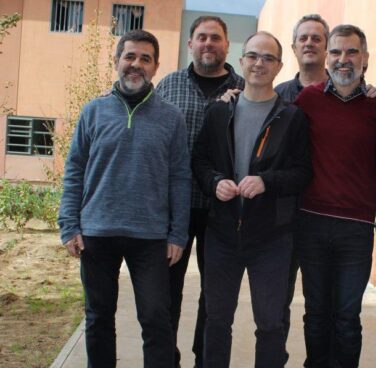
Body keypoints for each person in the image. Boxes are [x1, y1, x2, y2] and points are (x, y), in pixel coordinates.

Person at [58, 29, 191, 367]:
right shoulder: (93, 112)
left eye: (145, 59)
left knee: (156, 320)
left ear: (156, 66)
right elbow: (74, 169)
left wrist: (177, 233)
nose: (136, 64)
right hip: (96, 233)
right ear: (117, 61)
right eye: (130, 56)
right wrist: (69, 224)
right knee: (99, 318)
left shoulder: (171, 118)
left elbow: (179, 177)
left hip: (150, 237)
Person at [192, 31, 312, 368]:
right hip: (221, 234)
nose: (259, 63)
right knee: (216, 321)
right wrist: (214, 182)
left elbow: (303, 173)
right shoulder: (219, 112)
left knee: (271, 324)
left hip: (271, 239)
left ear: (279, 66)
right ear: (242, 61)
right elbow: (199, 162)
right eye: (253, 56)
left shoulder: (291, 117)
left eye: (268, 58)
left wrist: (266, 181)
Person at [294, 24, 376, 368]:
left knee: (347, 317)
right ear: (326, 57)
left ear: (365, 58)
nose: (343, 59)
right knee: (316, 313)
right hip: (312, 222)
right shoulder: (307, 100)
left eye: (351, 52)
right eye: (335, 52)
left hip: (357, 227)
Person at [155, 15, 244, 368]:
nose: (209, 43)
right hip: (173, 208)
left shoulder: (245, 87)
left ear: (227, 45)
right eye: (202, 37)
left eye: (216, 38)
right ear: (190, 43)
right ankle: (167, 360)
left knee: (215, 298)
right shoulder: (168, 85)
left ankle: (205, 360)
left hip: (223, 209)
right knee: (165, 294)